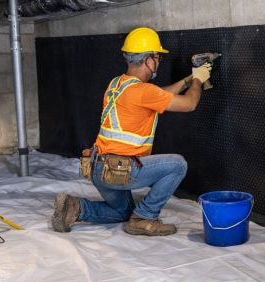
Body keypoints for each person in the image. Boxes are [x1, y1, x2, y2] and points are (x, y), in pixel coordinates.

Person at [51, 27, 211, 236]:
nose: (159, 62)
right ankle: (144, 218)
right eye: (157, 57)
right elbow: (189, 103)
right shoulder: (143, 91)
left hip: (99, 168)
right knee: (177, 165)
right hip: (120, 170)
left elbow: (160, 95)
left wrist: (188, 80)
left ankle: (75, 207)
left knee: (122, 211)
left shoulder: (118, 84)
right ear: (148, 60)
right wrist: (199, 79)